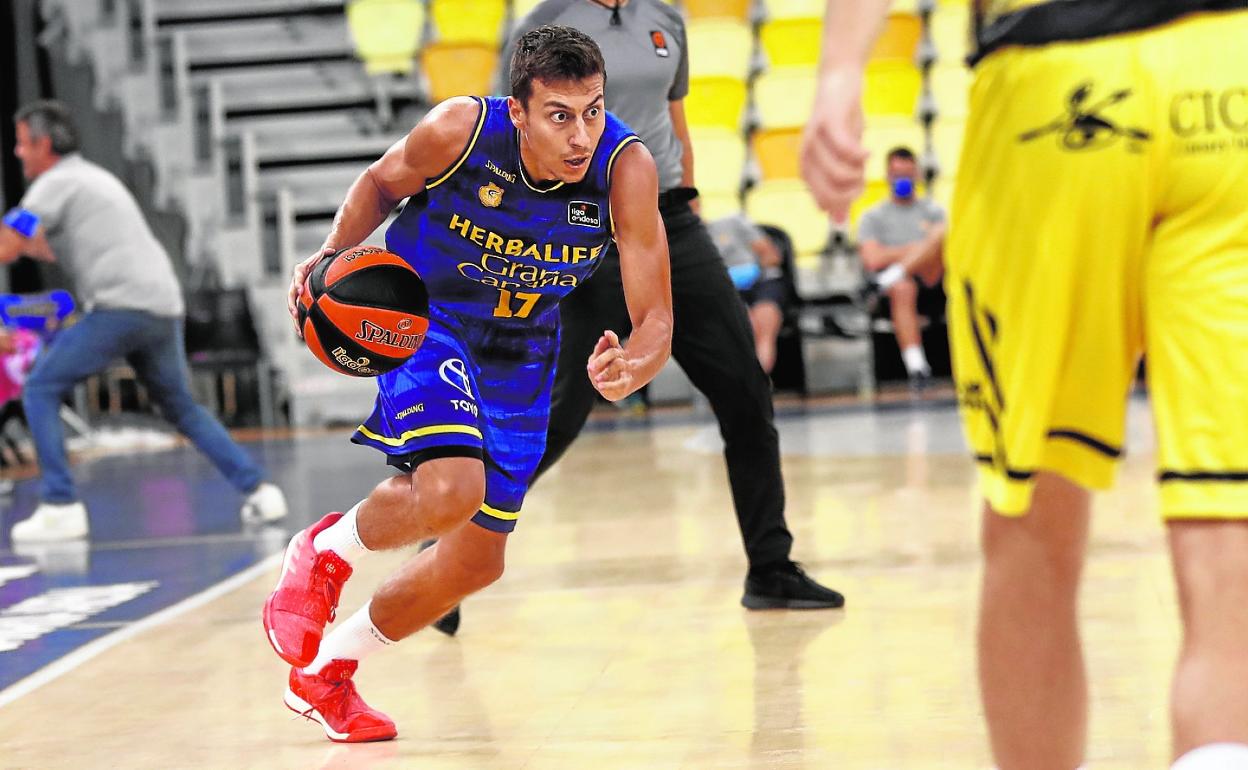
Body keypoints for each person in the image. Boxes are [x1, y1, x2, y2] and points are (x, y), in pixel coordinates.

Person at [802, 2, 1248, 769]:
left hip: (1053, 72)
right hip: (1228, 75)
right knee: (1228, 526)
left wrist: (843, 66)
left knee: (1035, 518)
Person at [262, 26, 673, 743]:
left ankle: (326, 674)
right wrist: (331, 256)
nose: (581, 135)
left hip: (524, 347)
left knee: (477, 561)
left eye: (593, 111)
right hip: (425, 321)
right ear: (517, 111)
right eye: (559, 115)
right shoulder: (460, 129)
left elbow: (657, 317)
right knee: (453, 490)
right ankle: (325, 553)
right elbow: (381, 182)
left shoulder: (625, 168)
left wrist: (635, 362)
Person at [499, 0, 844, 613]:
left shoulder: (665, 15)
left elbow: (673, 116)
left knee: (745, 391)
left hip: (671, 219)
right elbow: (517, 134)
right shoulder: (547, 21)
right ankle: (449, 547)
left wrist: (688, 192)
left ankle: (770, 568)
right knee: (560, 415)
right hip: (583, 223)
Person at [0, 100, 287, 543]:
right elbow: (49, 247)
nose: (18, 153)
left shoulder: (54, 183)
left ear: (43, 144)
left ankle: (59, 505)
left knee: (40, 386)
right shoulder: (90, 178)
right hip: (161, 305)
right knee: (181, 407)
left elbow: (8, 245)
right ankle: (260, 489)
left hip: (123, 306)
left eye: (22, 143)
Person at [855, 146, 946, 384]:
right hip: (896, 292)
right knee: (902, 287)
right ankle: (916, 366)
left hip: (934, 280)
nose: (902, 180)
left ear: (917, 175)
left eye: (907, 174)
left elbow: (943, 249)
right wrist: (920, 249)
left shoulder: (933, 211)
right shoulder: (873, 216)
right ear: (887, 176)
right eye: (897, 174)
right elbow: (872, 259)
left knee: (941, 236)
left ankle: (892, 275)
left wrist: (895, 256)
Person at [708, 211, 788, 374]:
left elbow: (771, 256)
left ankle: (760, 380)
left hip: (763, 282)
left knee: (765, 321)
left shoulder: (733, 222)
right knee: (746, 327)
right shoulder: (686, 241)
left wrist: (752, 273)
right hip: (728, 289)